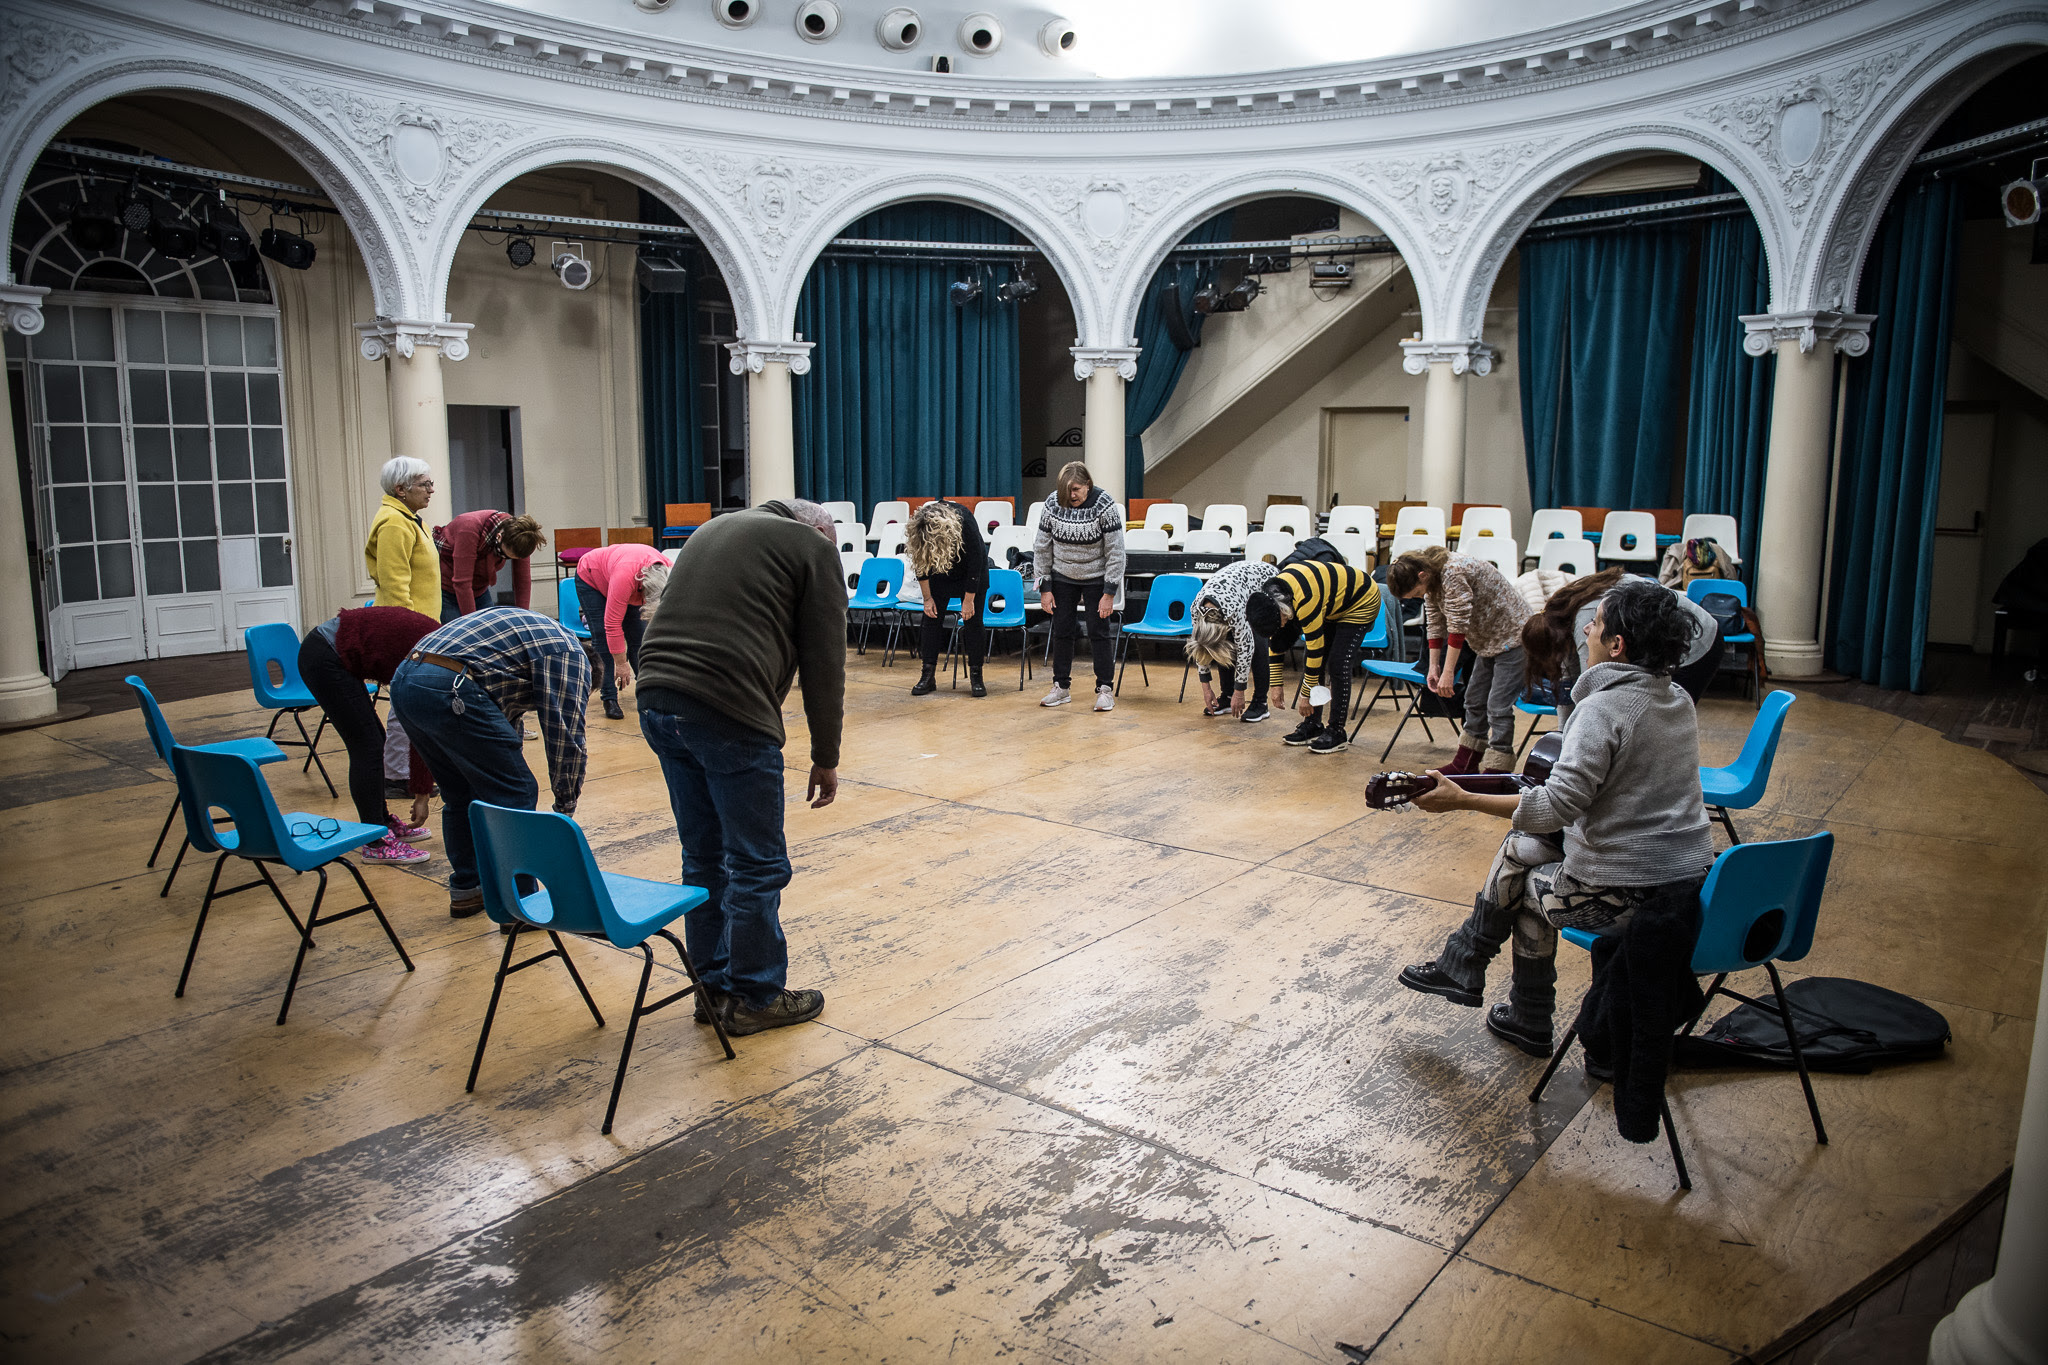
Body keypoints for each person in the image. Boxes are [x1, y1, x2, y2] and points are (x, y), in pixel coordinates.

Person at [1396, 577, 1715, 1060]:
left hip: (1630, 895)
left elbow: (1553, 807)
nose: (1587, 630)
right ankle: (1469, 965)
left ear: (1616, 645)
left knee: (1524, 890)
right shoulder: (1678, 700)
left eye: (1597, 625)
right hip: (1686, 884)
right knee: (1525, 849)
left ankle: (1517, 1005)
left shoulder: (1605, 708)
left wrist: (1462, 799)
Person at [634, 498, 845, 1037]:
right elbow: (825, 661)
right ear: (818, 531)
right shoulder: (812, 547)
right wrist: (826, 755)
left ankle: (711, 989)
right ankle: (755, 996)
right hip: (727, 708)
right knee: (756, 865)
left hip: (657, 697)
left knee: (703, 856)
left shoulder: (714, 528)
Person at [388, 607, 591, 918]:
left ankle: (467, 891)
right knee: (518, 791)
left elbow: (503, 727)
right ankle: (521, 906)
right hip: (450, 685)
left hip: (406, 679)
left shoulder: (530, 643)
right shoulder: (569, 654)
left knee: (460, 793)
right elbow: (565, 736)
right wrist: (566, 806)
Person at [297, 605, 441, 865]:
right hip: (325, 656)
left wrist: (422, 790)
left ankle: (381, 823)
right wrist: (421, 794)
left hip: (333, 652)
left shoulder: (443, 650)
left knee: (375, 739)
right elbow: (420, 728)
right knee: (368, 747)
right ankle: (375, 842)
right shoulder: (434, 665)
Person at [1387, 545, 1532, 775]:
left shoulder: (1453, 572)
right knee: (1474, 700)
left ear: (1422, 576)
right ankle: (1466, 763)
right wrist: (1433, 667)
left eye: (1416, 592)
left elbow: (1457, 626)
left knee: (1497, 706)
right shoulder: (1431, 577)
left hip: (1515, 638)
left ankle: (1498, 768)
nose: (1419, 597)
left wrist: (1447, 672)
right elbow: (1435, 623)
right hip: (1487, 641)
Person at [1522, 569, 1723, 722]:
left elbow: (1592, 688)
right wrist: (1564, 738)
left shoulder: (1585, 619)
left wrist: (1571, 744)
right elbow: (1568, 684)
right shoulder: (1559, 617)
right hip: (1660, 639)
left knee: (1664, 720)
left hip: (1698, 641)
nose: (1587, 630)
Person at [1242, 557, 1381, 754]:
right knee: (1320, 660)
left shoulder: (1304, 600)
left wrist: (1306, 696)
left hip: (1361, 600)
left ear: (1283, 611)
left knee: (1337, 663)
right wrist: (1276, 684)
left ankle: (1336, 731)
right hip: (1332, 603)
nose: (1282, 625)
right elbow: (1276, 641)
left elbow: (1315, 652)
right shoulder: (1274, 598)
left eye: (1281, 622)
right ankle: (1314, 725)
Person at [366, 456, 441, 798]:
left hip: (422, 626)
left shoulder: (410, 519)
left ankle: (407, 770)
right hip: (407, 628)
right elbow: (396, 585)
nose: (431, 489)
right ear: (401, 488)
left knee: (410, 703)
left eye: (430, 482)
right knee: (404, 703)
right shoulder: (395, 523)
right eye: (424, 484)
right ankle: (397, 775)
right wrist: (411, 631)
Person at [1032, 461, 1125, 712]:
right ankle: (1061, 687)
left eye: (1075, 489)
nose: (1070, 495)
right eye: (1066, 490)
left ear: (1087, 485)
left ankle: (1105, 689)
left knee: (1099, 632)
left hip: (1096, 576)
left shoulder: (1104, 504)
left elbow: (1116, 552)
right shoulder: (1053, 503)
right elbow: (1042, 547)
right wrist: (1045, 587)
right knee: (1062, 631)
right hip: (1062, 576)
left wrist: (1109, 593)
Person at [573, 541, 669, 720]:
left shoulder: (668, 571)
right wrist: (621, 663)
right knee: (602, 636)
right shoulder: (625, 577)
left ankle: (649, 693)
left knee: (639, 639)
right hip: (592, 577)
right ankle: (609, 698)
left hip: (630, 578)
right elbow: (612, 624)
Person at [905, 498, 990, 698]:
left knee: (973, 621)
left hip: (970, 572)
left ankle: (976, 676)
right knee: (931, 619)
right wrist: (927, 599)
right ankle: (927, 676)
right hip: (940, 573)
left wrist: (968, 600)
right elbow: (921, 564)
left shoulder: (964, 521)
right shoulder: (921, 527)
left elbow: (976, 561)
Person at [1186, 558, 1283, 723]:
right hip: (1236, 587)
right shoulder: (1196, 609)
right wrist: (1206, 687)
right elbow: (1202, 650)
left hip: (1265, 582)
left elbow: (1246, 650)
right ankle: (1227, 695)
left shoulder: (1233, 609)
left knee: (1257, 640)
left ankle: (1261, 703)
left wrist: (1240, 692)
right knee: (1221, 646)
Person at [436, 509, 546, 621]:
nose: (505, 559)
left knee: (489, 634)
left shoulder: (522, 538)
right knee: (458, 635)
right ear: (499, 537)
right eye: (504, 555)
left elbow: (522, 580)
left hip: (479, 590)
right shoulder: (469, 529)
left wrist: (523, 618)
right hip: (448, 591)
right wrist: (471, 624)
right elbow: (462, 582)